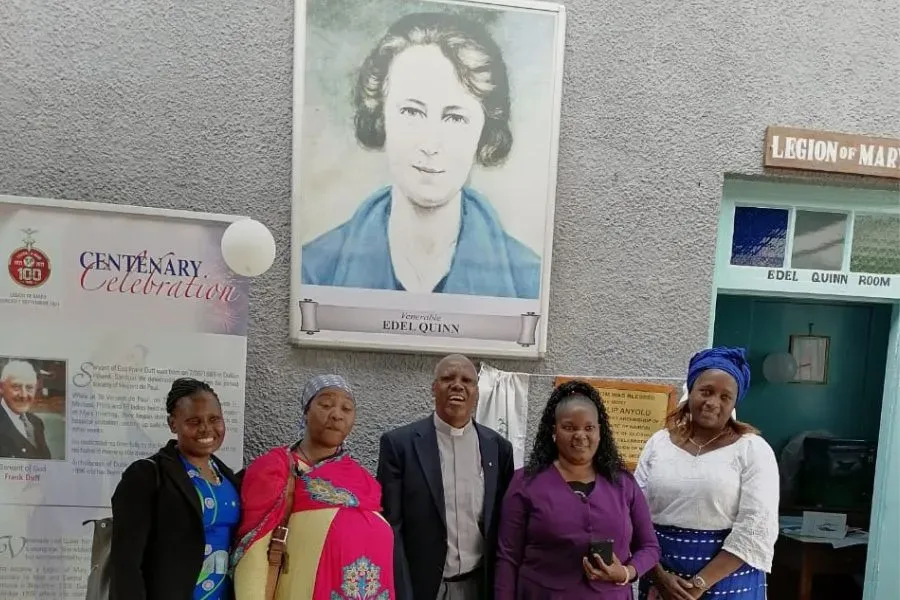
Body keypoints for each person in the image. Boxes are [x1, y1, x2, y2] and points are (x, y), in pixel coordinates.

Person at [301, 12, 540, 299]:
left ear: (484, 130)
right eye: (411, 112)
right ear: (381, 116)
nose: (430, 144)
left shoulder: (529, 282)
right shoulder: (313, 271)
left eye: (454, 118)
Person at [635, 347, 779, 600]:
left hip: (730, 582)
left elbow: (756, 528)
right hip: (661, 581)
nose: (713, 402)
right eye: (706, 391)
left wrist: (699, 584)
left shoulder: (752, 450)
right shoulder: (659, 443)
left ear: (735, 403)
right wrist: (659, 577)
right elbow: (634, 514)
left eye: (725, 397)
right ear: (690, 391)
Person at [232, 375, 394, 600]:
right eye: (326, 405)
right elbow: (253, 549)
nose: (336, 414)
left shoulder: (363, 480)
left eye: (346, 408)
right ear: (306, 412)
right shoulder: (275, 469)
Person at [495, 380, 660, 599]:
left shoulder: (622, 483)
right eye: (569, 427)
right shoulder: (526, 483)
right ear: (554, 431)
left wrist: (626, 572)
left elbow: (650, 547)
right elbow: (507, 558)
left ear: (600, 432)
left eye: (589, 428)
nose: (580, 435)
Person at [377, 354, 515, 600]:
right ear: (433, 388)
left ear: (477, 391)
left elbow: (503, 525)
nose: (457, 385)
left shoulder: (498, 448)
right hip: (424, 587)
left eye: (467, 380)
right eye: (447, 378)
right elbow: (392, 529)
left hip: (479, 585)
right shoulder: (400, 446)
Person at [110, 378, 241, 600]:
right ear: (173, 424)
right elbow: (126, 564)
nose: (206, 428)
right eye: (193, 421)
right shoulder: (147, 476)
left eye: (214, 419)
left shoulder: (229, 478)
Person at [0, 359, 52, 460]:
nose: (24, 395)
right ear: (1, 387)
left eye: (29, 387)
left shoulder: (36, 423)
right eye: (16, 387)